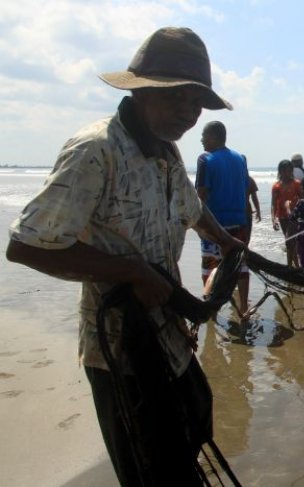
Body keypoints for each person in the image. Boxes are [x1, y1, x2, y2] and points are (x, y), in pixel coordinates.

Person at [6, 27, 243, 486]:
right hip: (121, 351)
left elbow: (193, 210)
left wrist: (225, 241)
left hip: (169, 336)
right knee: (148, 469)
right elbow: (26, 246)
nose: (188, 112)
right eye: (175, 97)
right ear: (139, 92)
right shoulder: (96, 151)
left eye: (196, 102)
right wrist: (130, 272)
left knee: (194, 421)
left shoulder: (167, 151)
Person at [195, 121, 251, 318]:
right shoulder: (240, 159)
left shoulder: (205, 160)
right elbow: (245, 192)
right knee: (240, 266)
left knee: (210, 264)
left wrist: (196, 224)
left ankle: (211, 308)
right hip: (238, 222)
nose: (201, 139)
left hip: (215, 224)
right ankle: (244, 307)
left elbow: (200, 196)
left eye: (204, 135)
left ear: (214, 137)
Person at [272, 159, 303, 268]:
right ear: (280, 172)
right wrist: (274, 220)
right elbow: (273, 204)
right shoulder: (276, 186)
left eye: (289, 171)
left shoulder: (297, 184)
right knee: (290, 242)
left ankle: (292, 267)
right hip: (282, 217)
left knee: (290, 241)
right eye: (284, 171)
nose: (287, 174)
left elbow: (303, 199)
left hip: (294, 217)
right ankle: (295, 266)